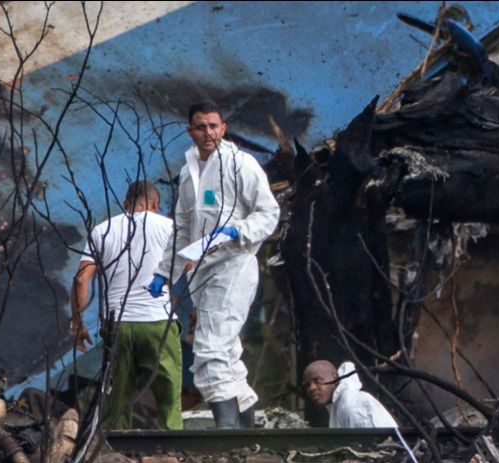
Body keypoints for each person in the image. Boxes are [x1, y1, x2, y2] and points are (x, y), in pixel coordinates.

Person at [147, 101, 280, 429]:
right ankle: (246, 429)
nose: (208, 133)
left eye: (214, 126)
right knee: (227, 353)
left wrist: (239, 229)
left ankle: (226, 430)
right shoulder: (189, 171)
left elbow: (269, 212)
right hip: (202, 271)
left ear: (223, 128)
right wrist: (164, 272)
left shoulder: (240, 165)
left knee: (210, 346)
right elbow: (182, 228)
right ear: (190, 130)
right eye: (201, 127)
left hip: (234, 263)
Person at [71, 181, 183, 430]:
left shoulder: (102, 230)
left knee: (118, 393)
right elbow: (186, 266)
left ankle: (115, 447)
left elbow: (81, 280)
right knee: (169, 389)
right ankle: (173, 444)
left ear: (125, 205)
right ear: (156, 205)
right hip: (158, 322)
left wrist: (78, 323)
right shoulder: (169, 227)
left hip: (118, 324)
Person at [302, 360, 398, 428]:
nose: (312, 388)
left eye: (317, 380)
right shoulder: (337, 406)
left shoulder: (352, 404)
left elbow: (370, 449)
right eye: (307, 385)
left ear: (335, 378)